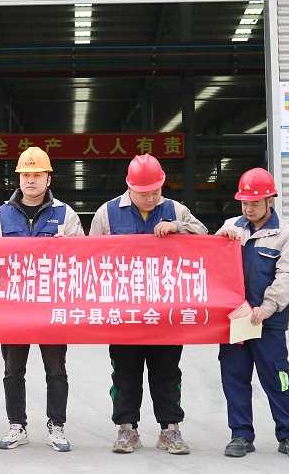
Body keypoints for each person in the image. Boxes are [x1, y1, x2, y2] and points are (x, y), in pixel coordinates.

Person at [88, 154, 207, 455]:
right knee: (124, 373)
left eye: (156, 191)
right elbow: (90, 257)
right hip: (124, 311)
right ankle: (127, 429)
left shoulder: (175, 210)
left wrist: (177, 227)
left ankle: (170, 430)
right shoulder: (107, 213)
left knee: (167, 372)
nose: (151, 198)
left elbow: (205, 237)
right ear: (130, 187)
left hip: (166, 310)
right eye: (144, 194)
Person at [0, 146, 84, 452]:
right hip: (13, 306)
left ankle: (56, 427)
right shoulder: (2, 214)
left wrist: (71, 248)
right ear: (19, 179)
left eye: (37, 174)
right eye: (25, 174)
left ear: (48, 179)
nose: (30, 180)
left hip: (52, 305)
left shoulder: (65, 213)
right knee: (13, 370)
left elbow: (84, 257)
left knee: (56, 370)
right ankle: (17, 426)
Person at [215, 168, 289, 460]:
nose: (248, 208)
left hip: (268, 321)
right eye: (244, 202)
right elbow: (212, 263)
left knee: (278, 377)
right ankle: (241, 434)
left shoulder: (286, 235)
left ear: (270, 200)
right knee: (234, 378)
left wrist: (268, 306)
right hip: (236, 321)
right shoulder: (231, 227)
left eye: (255, 203)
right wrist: (219, 239)